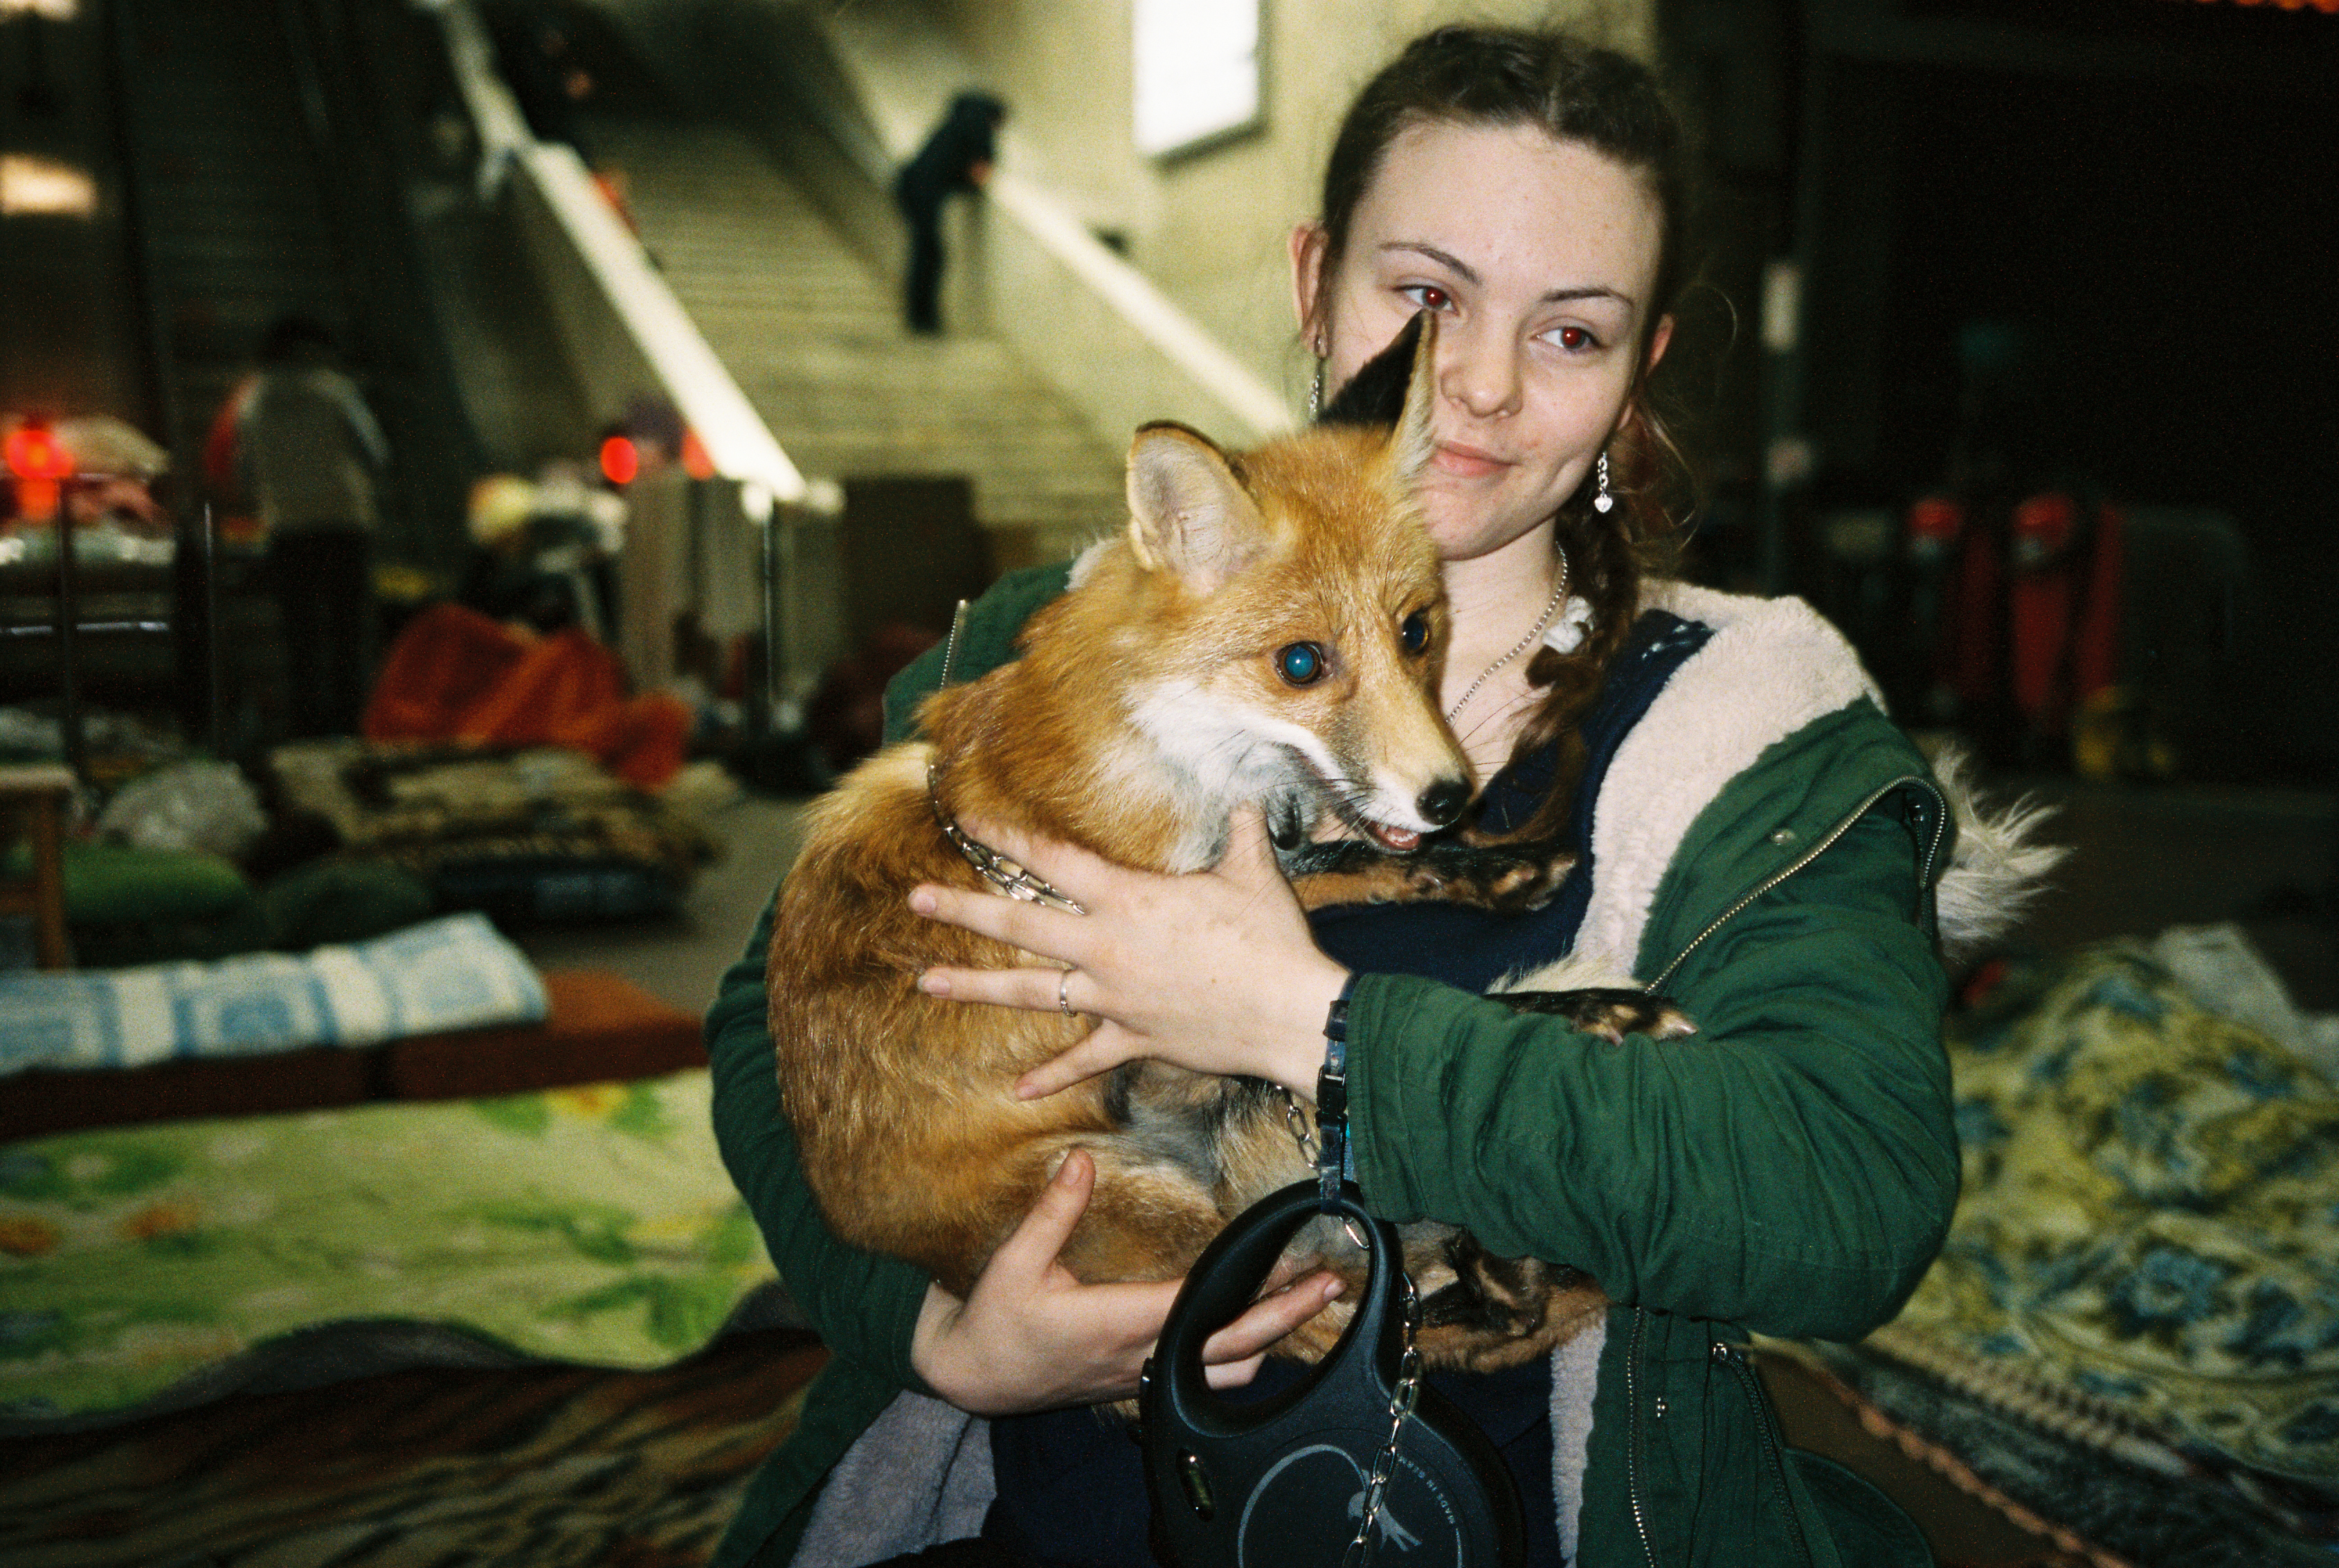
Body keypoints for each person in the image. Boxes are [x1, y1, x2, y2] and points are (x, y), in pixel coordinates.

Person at [707, 25, 2052, 1568]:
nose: (1477, 389)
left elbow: (1850, 1196)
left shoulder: (1752, 735)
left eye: (1571, 333)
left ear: (1640, 373)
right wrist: (937, 1328)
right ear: (1314, 288)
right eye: (1427, 299)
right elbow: (772, 1027)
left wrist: (1311, 1026)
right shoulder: (1042, 643)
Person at [218, 316, 389, 739]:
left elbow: (244, 473)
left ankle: (308, 725)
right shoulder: (336, 392)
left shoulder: (252, 402)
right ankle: (352, 722)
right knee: (348, 630)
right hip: (344, 524)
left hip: (288, 529)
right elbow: (375, 454)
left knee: (301, 634)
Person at [894, 92, 1008, 336]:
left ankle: (921, 317)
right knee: (930, 253)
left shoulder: (956, 125)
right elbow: (980, 173)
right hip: (923, 191)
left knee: (929, 252)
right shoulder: (979, 128)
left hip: (910, 185)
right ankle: (923, 319)